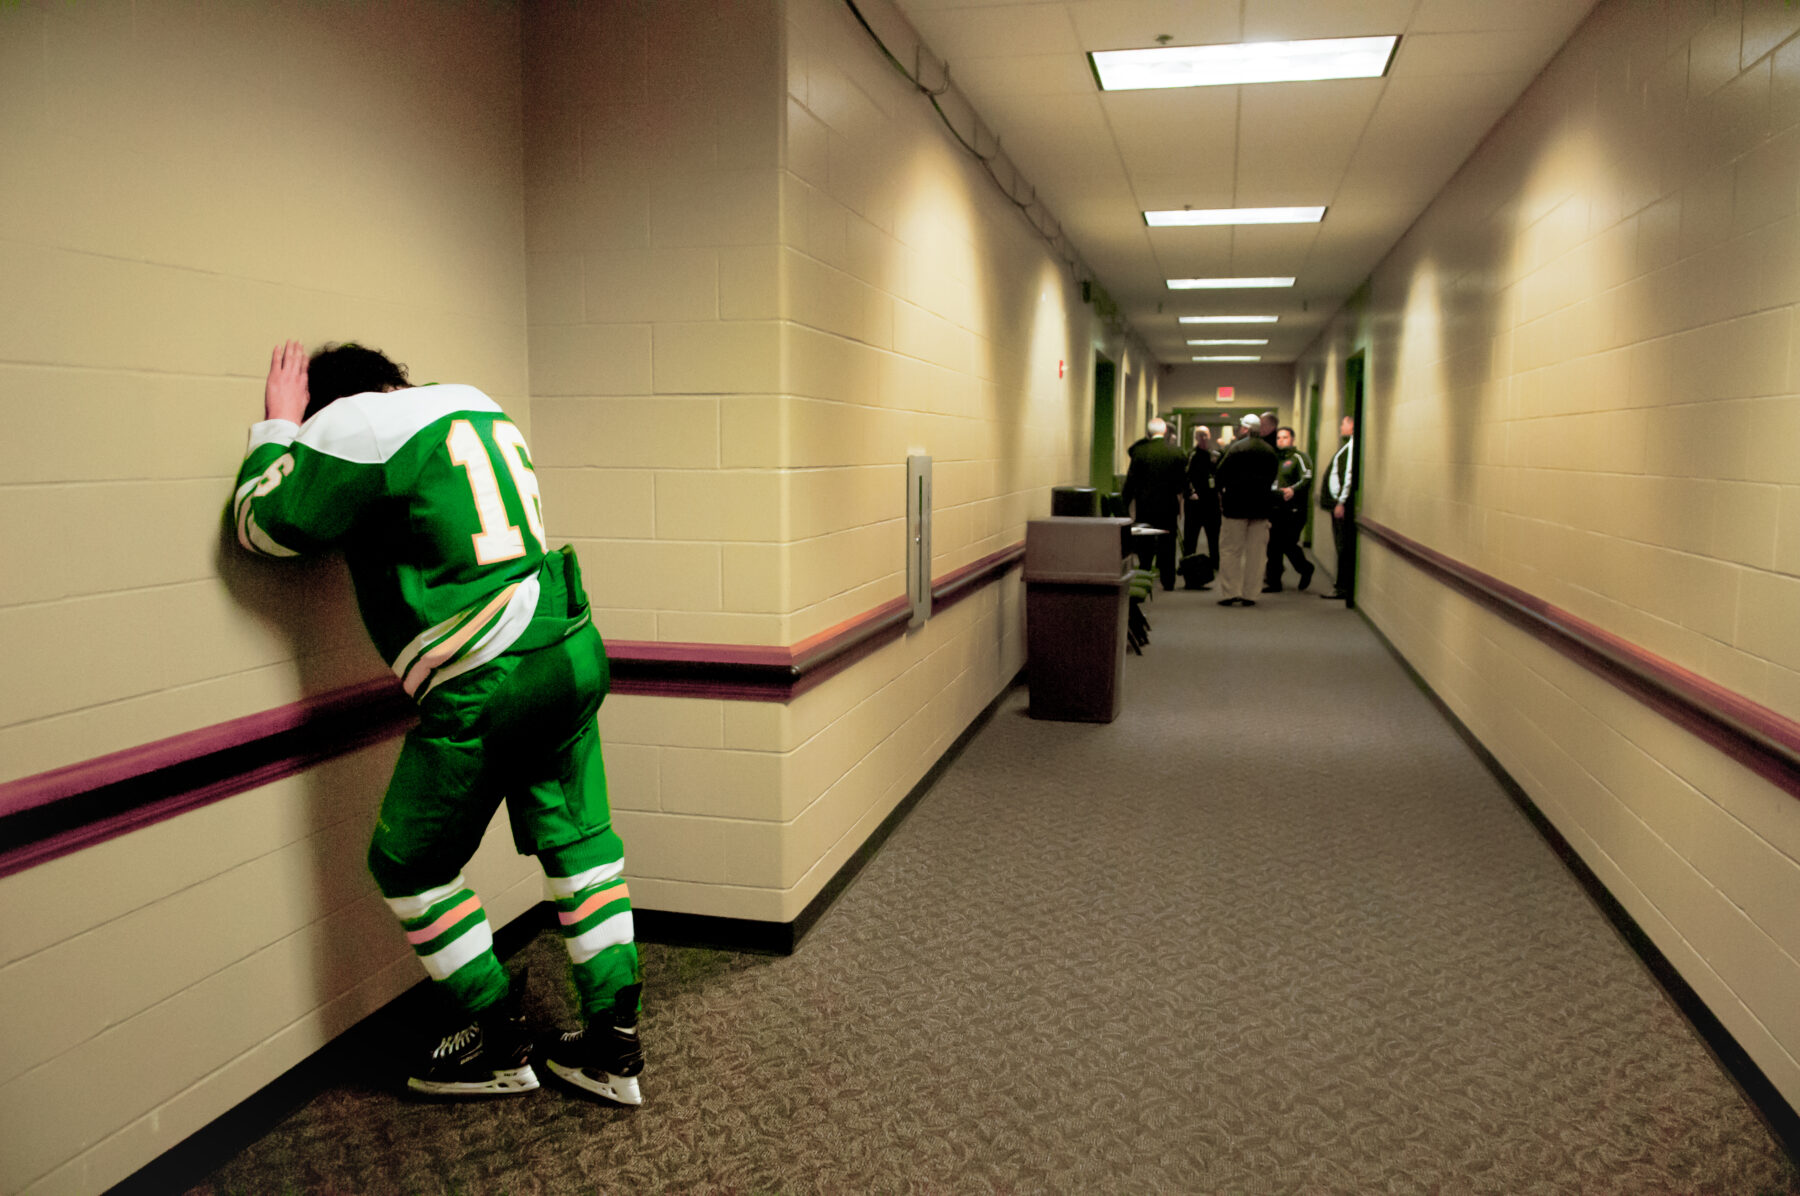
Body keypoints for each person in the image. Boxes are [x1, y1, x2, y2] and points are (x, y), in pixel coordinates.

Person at [233, 341, 646, 1104]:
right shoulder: (476, 401)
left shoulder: (354, 421)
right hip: (566, 637)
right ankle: (611, 1042)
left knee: (410, 865)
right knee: (581, 844)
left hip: (490, 671)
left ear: (334, 399)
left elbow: (264, 525)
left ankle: (496, 1037)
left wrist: (280, 430)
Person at [1213, 413, 1279, 607]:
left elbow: (1220, 476)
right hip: (1261, 508)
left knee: (1231, 551)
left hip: (1235, 507)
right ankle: (1251, 594)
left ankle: (1230, 592)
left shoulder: (1236, 449)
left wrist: (1223, 495)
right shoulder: (1269, 451)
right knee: (1257, 553)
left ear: (1245, 429)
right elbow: (1273, 478)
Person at [1121, 416, 1187, 590]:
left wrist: (1125, 504)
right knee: (1168, 543)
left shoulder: (1140, 452)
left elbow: (1131, 481)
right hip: (1168, 506)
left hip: (1146, 505)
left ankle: (1145, 572)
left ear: (1148, 433)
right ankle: (1168, 580)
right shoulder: (1176, 452)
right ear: (1165, 432)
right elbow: (1182, 482)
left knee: (1146, 543)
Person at [1263, 427, 1314, 593]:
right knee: (1273, 546)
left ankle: (1305, 568)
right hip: (1276, 508)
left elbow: (1306, 477)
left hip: (1294, 510)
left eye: (1285, 437)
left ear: (1292, 439)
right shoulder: (1275, 458)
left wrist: (1293, 490)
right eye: (1278, 438)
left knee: (1288, 543)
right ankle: (1274, 582)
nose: (1281, 441)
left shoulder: (1299, 458)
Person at [1320, 413, 1357, 601]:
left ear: (1352, 425)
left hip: (1341, 506)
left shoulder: (1353, 448)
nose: (1341, 427)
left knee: (1343, 547)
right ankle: (1341, 586)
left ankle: (1342, 587)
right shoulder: (1347, 446)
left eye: (1343, 423)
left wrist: (1341, 502)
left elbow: (1348, 477)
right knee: (1340, 546)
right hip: (1336, 503)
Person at [1182, 427, 1220, 588]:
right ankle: (1187, 564)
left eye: (1206, 435)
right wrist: (1190, 493)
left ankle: (1215, 564)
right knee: (1190, 537)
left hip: (1211, 503)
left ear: (1210, 436)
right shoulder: (1192, 455)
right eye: (1200, 435)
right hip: (1195, 504)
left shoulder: (1216, 456)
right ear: (1196, 437)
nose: (1203, 438)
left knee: (1214, 537)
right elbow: (1185, 476)